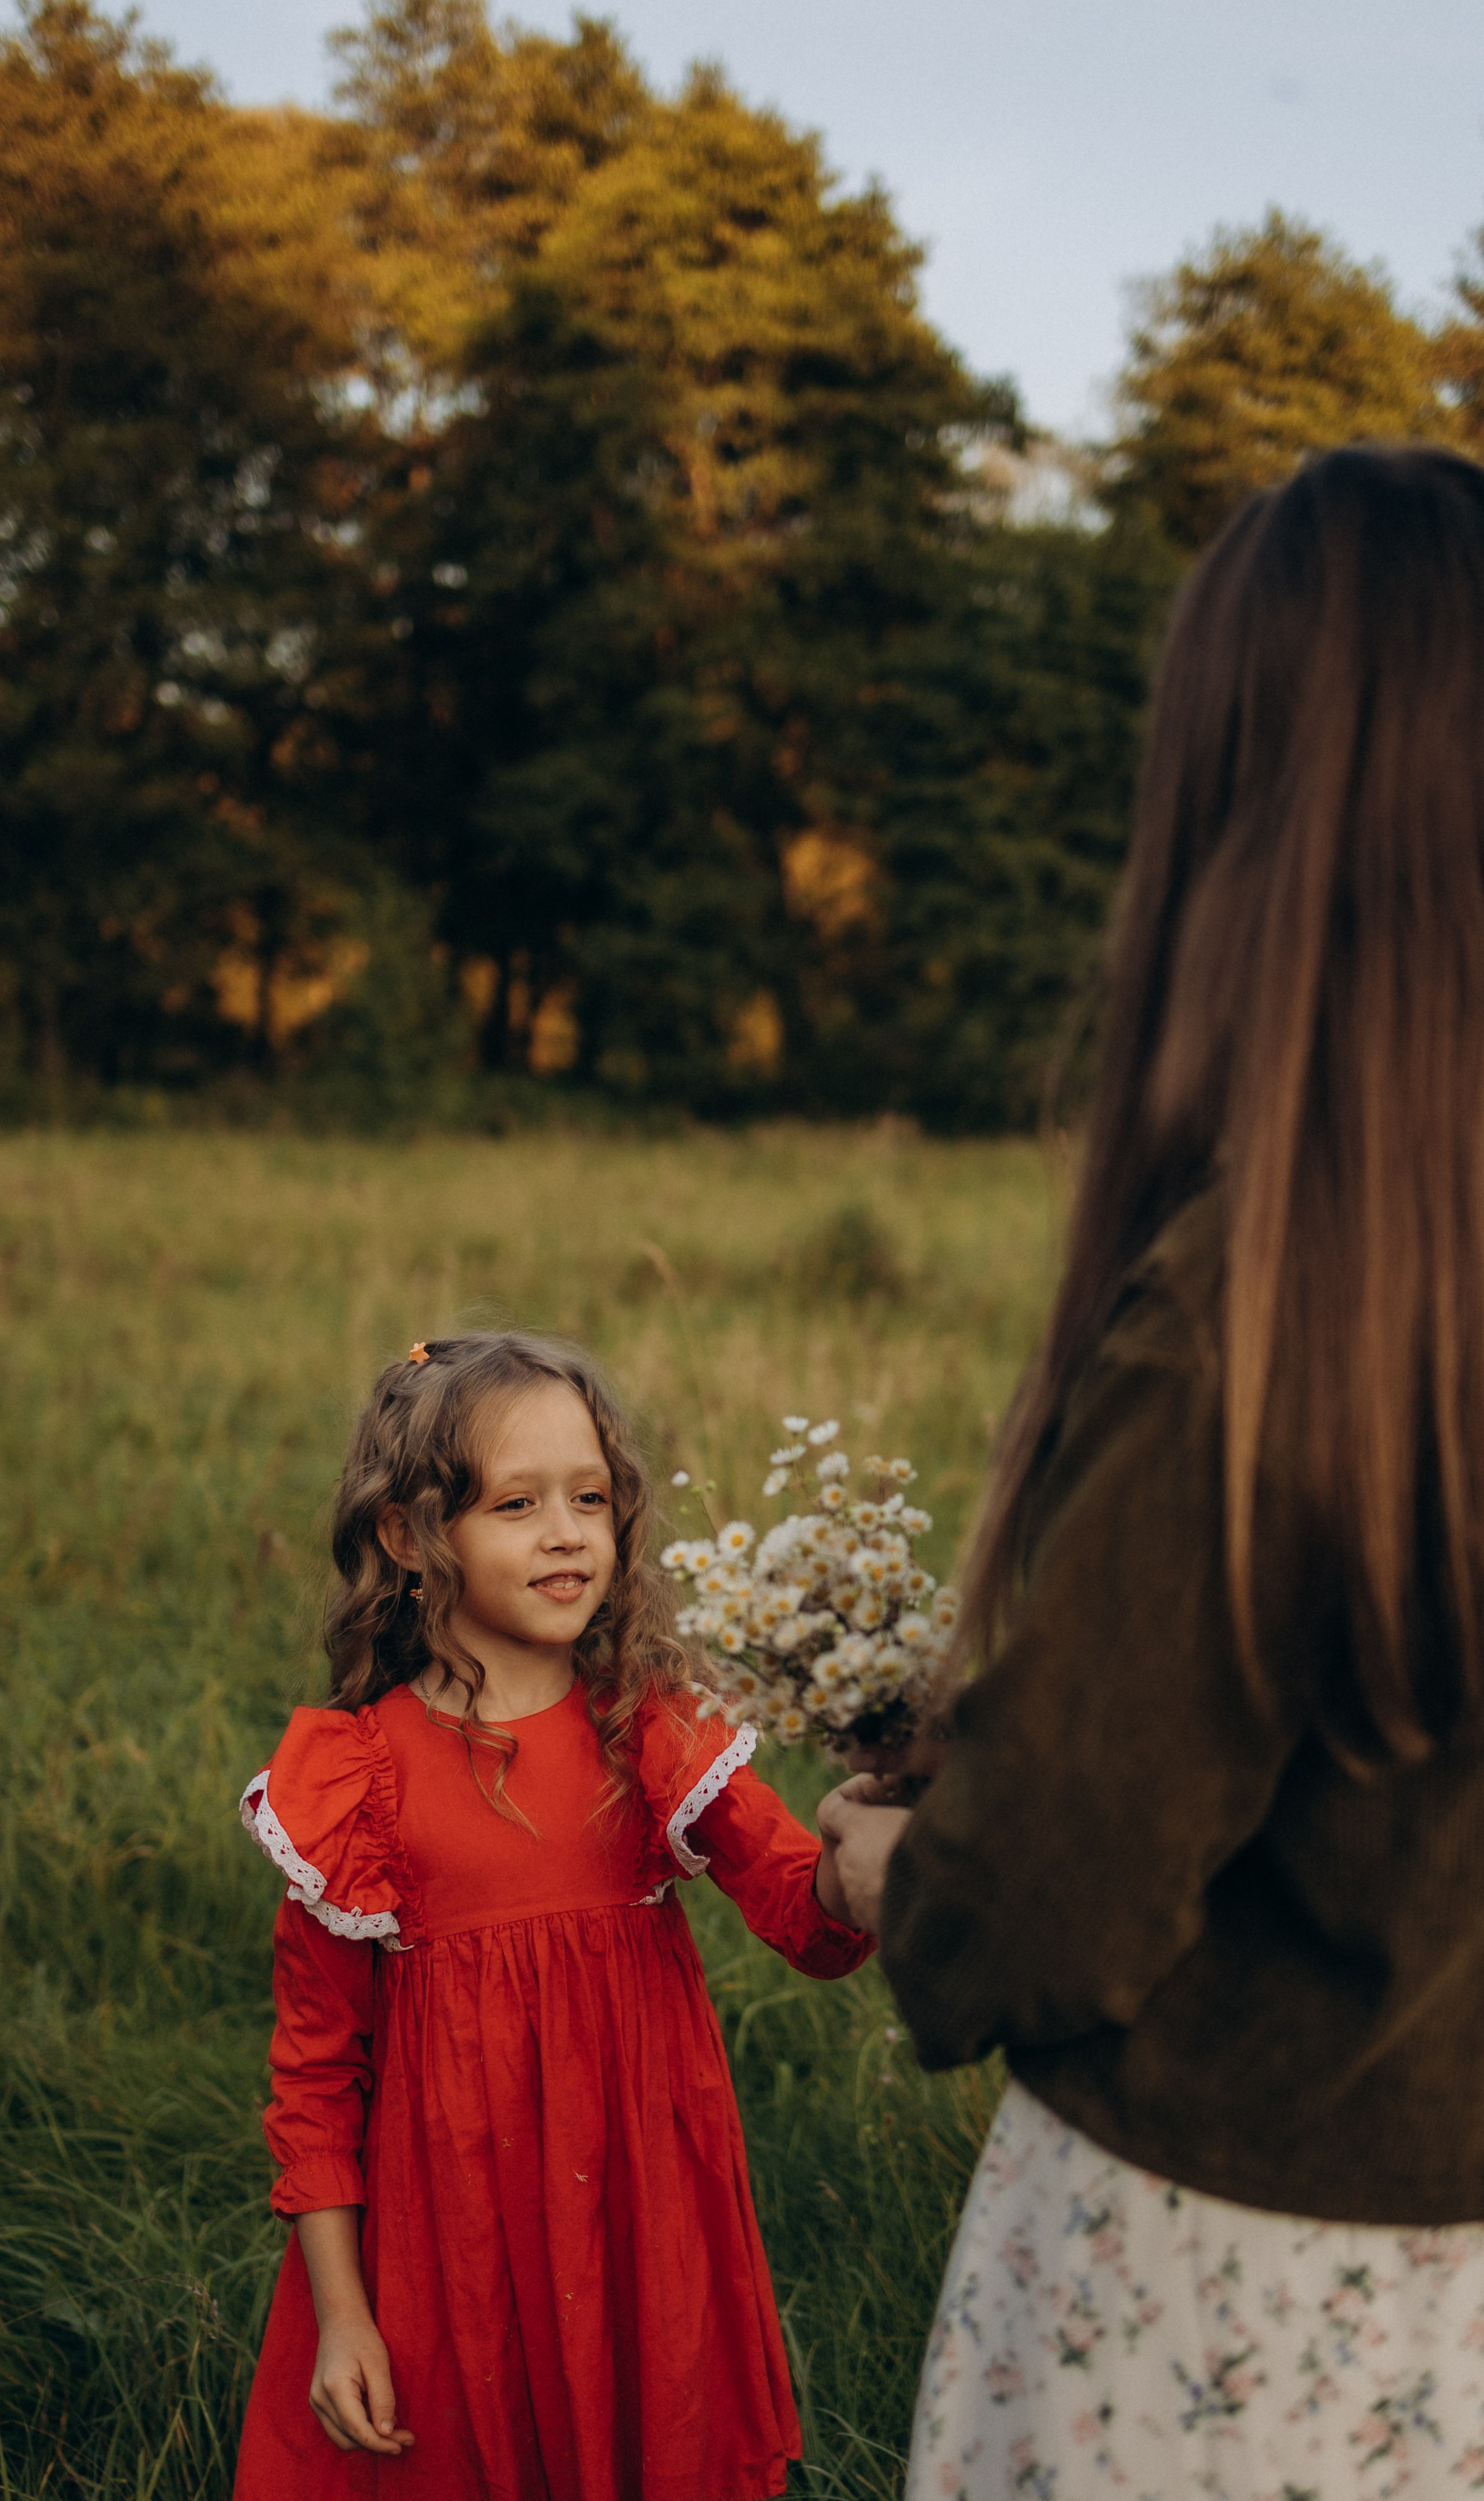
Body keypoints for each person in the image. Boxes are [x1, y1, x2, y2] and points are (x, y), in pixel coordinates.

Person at [822, 445, 1484, 2497]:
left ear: (1251, 804)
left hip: (1238, 2312)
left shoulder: (1277, 1302)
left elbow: (1042, 1904)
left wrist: (896, 1877)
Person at [232, 1331, 872, 2501]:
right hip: (451, 2254)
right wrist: (343, 2316)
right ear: (409, 1535)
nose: (568, 1532)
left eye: (590, 1496)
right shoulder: (358, 1781)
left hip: (641, 2225)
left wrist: (862, 1845)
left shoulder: (652, 1729)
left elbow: (805, 1916)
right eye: (517, 1503)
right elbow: (317, 2074)